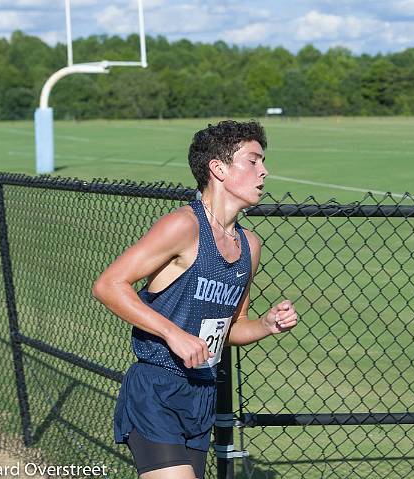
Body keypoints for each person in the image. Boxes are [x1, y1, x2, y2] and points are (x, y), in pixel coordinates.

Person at [92, 120, 298, 479]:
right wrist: (174, 334)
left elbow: (234, 327)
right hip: (157, 387)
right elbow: (109, 285)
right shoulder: (183, 226)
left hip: (201, 394)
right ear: (218, 169)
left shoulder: (249, 245)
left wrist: (266, 325)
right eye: (253, 161)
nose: (264, 171)